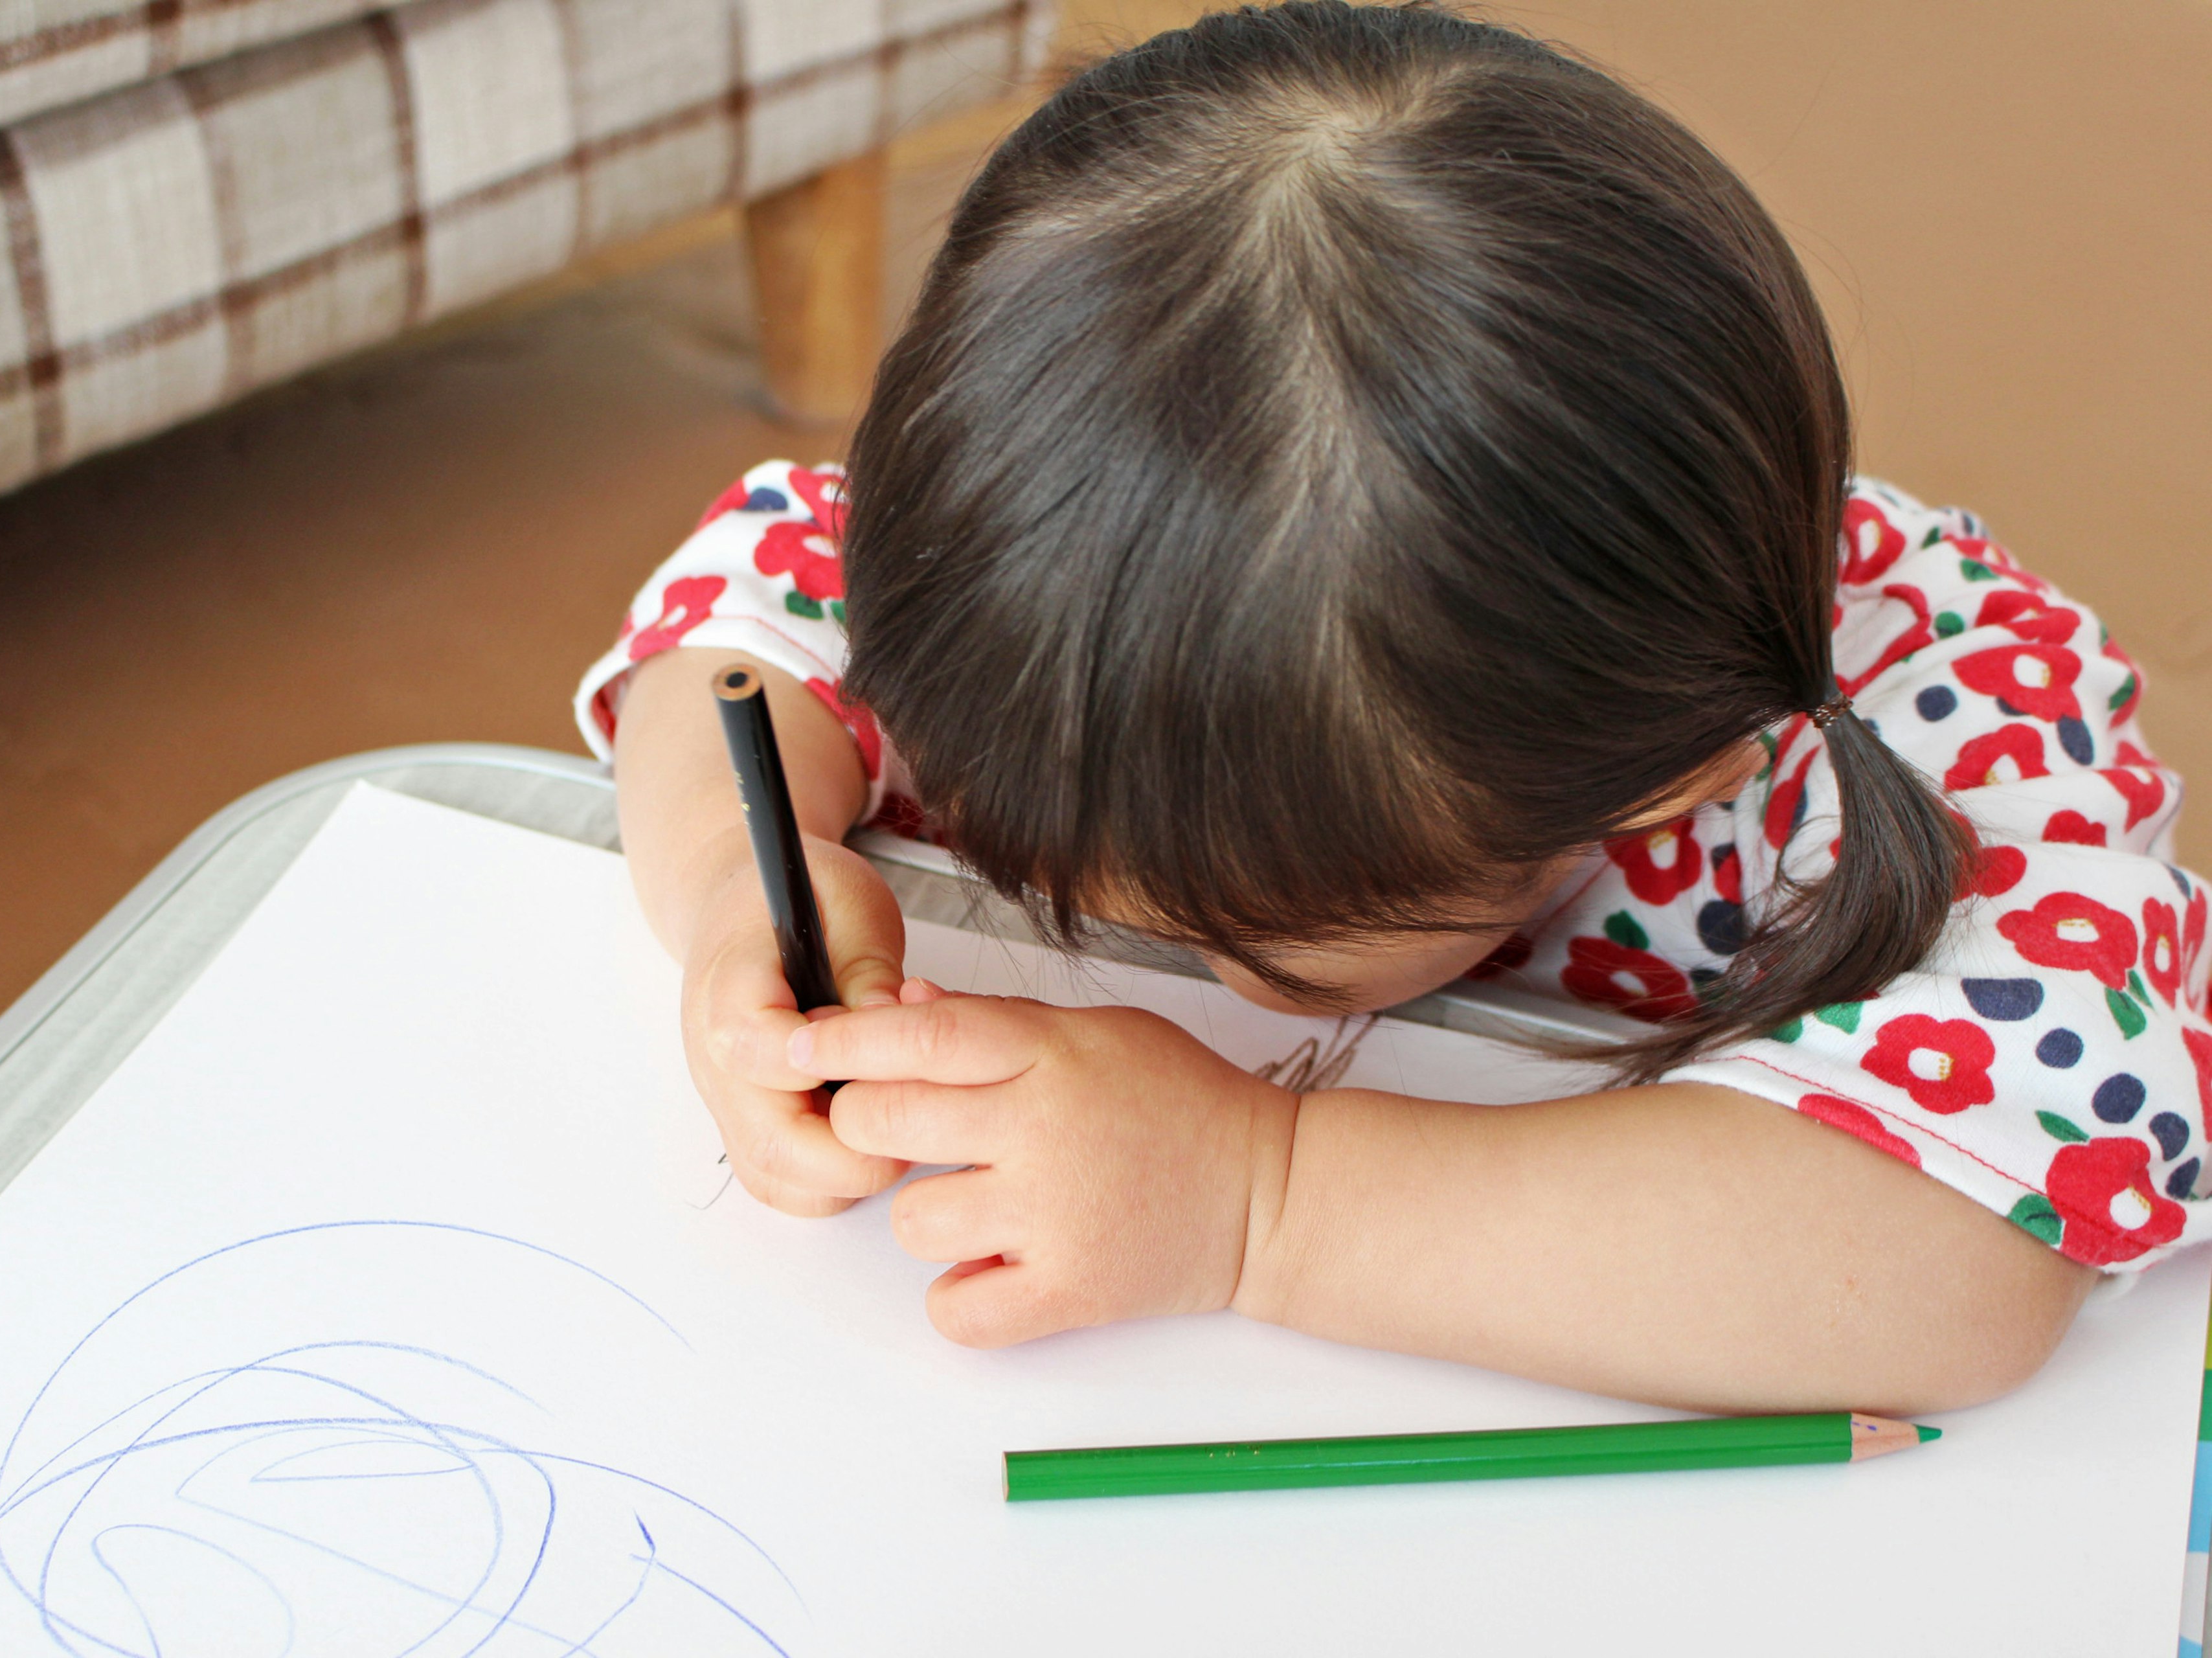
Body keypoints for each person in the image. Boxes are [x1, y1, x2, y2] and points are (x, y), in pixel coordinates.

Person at [575, 2, 2208, 1414]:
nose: (1190, 981)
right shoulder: (1047, 557)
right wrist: (736, 876)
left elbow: (1980, 1249)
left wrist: (1258, 1199)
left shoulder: (1951, 734)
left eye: (1256, 950)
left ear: (1657, 787)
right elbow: (736, 623)